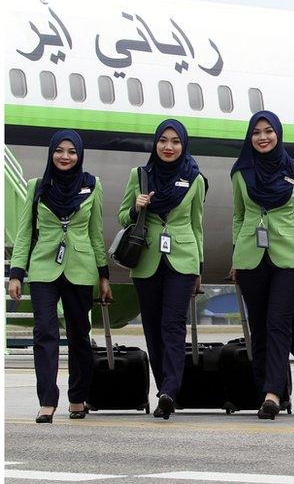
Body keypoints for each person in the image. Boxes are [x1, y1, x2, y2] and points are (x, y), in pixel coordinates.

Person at [7, 130, 112, 423]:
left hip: (80, 268)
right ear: (51, 153)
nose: (65, 156)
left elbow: (95, 232)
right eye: (59, 151)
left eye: (71, 152)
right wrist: (17, 273)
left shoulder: (92, 185)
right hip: (43, 268)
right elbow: (25, 232)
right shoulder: (37, 186)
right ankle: (47, 401)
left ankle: (77, 398)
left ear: (79, 155)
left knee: (79, 336)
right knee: (44, 333)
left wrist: (103, 275)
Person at [229, 111, 294, 420]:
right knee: (258, 328)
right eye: (256, 132)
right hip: (250, 257)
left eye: (268, 131)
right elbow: (239, 216)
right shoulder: (240, 173)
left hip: (288, 256)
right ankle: (269, 392)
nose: (263, 137)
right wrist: (235, 255)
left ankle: (272, 393)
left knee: (278, 323)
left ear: (278, 134)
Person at [117, 119, 206, 419]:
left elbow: (197, 226)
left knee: (172, 325)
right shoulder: (140, 175)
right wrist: (136, 207)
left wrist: (199, 267)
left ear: (183, 145)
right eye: (163, 141)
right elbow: (121, 217)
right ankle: (163, 387)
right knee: (153, 328)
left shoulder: (195, 179)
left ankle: (170, 390)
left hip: (182, 257)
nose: (169, 147)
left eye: (175, 141)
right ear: (155, 144)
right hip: (147, 258)